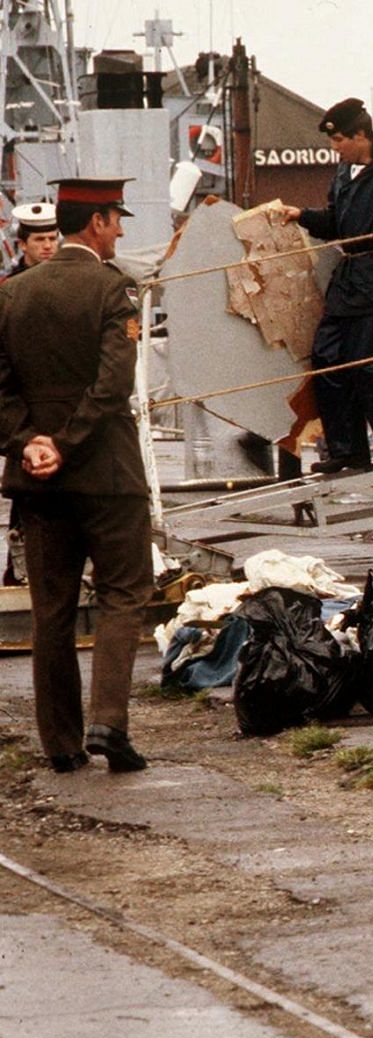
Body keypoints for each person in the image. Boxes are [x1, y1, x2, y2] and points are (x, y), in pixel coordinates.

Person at [0, 177, 154, 772]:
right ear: (96, 223)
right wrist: (66, 443)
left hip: (38, 483)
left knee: (52, 611)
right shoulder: (115, 290)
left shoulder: (12, 294)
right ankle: (108, 724)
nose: (119, 231)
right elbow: (113, 386)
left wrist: (29, 443)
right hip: (109, 475)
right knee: (122, 595)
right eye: (116, 220)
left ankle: (61, 745)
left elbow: (1, 390)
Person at [277, 97, 373, 474]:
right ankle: (347, 451)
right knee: (327, 360)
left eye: (340, 140)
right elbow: (336, 223)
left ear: (362, 135)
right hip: (350, 282)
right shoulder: (344, 175)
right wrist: (302, 216)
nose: (335, 148)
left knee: (369, 368)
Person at [5, 202, 60, 282]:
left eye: (52, 239)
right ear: (22, 245)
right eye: (39, 239)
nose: (47, 246)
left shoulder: (71, 279)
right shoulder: (7, 287)